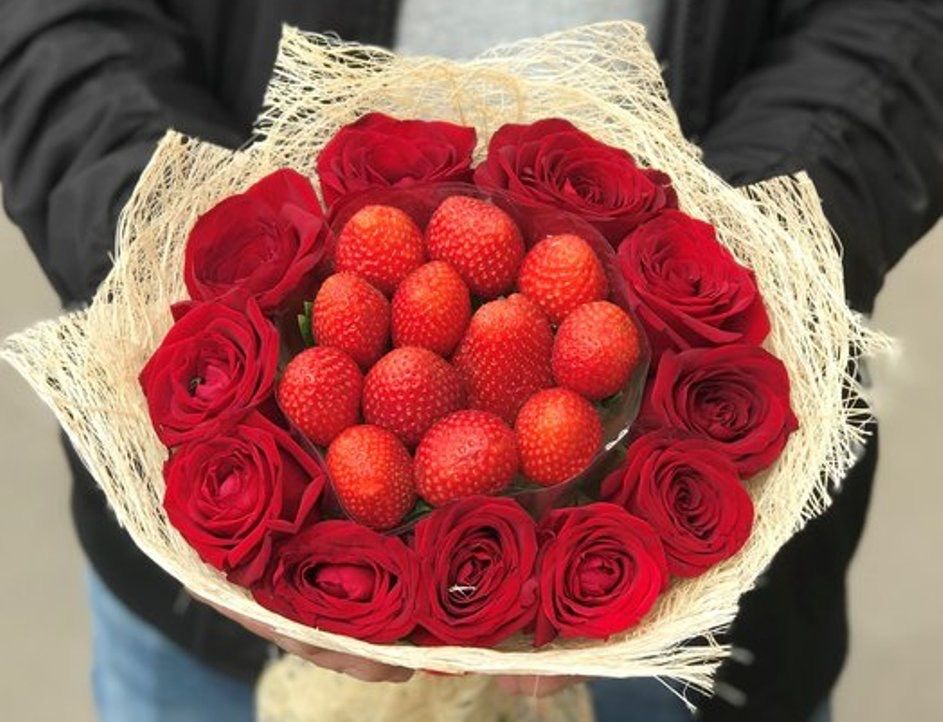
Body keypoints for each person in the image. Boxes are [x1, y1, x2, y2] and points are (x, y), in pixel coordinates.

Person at [1, 1, 940, 720]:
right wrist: (162, 238)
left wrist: (744, 245)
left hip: (678, 613)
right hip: (200, 629)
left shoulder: (523, 345)